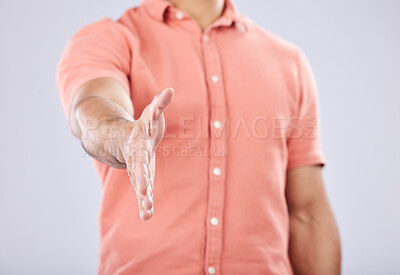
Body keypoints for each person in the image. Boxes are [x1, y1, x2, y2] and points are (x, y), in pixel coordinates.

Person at [56, 0, 341, 274]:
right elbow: (92, 104)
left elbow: (308, 215)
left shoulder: (290, 63)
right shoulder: (108, 39)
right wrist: (123, 134)